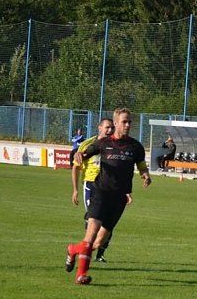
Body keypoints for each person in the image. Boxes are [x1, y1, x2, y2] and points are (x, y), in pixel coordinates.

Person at [65, 108, 152, 285]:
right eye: (124, 122)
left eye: (129, 122)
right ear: (116, 123)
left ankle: (73, 250)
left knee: (97, 244)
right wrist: (80, 154)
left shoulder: (136, 147)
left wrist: (145, 175)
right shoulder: (103, 143)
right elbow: (83, 154)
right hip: (100, 194)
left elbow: (141, 166)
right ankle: (81, 275)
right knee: (90, 236)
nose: (127, 125)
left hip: (119, 199)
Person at [70, 118, 117, 263]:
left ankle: (98, 255)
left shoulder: (116, 145)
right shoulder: (87, 144)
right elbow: (76, 167)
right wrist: (75, 190)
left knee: (108, 223)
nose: (110, 131)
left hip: (110, 187)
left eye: (112, 128)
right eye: (107, 128)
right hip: (91, 185)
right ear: (100, 128)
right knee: (94, 220)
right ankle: (85, 251)